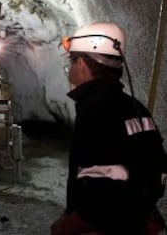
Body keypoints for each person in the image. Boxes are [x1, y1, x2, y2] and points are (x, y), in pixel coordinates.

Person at [50, 22, 167, 235]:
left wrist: (70, 223)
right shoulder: (136, 107)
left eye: (72, 61)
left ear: (83, 64)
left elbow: (102, 194)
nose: (70, 69)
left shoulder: (95, 111)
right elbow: (158, 172)